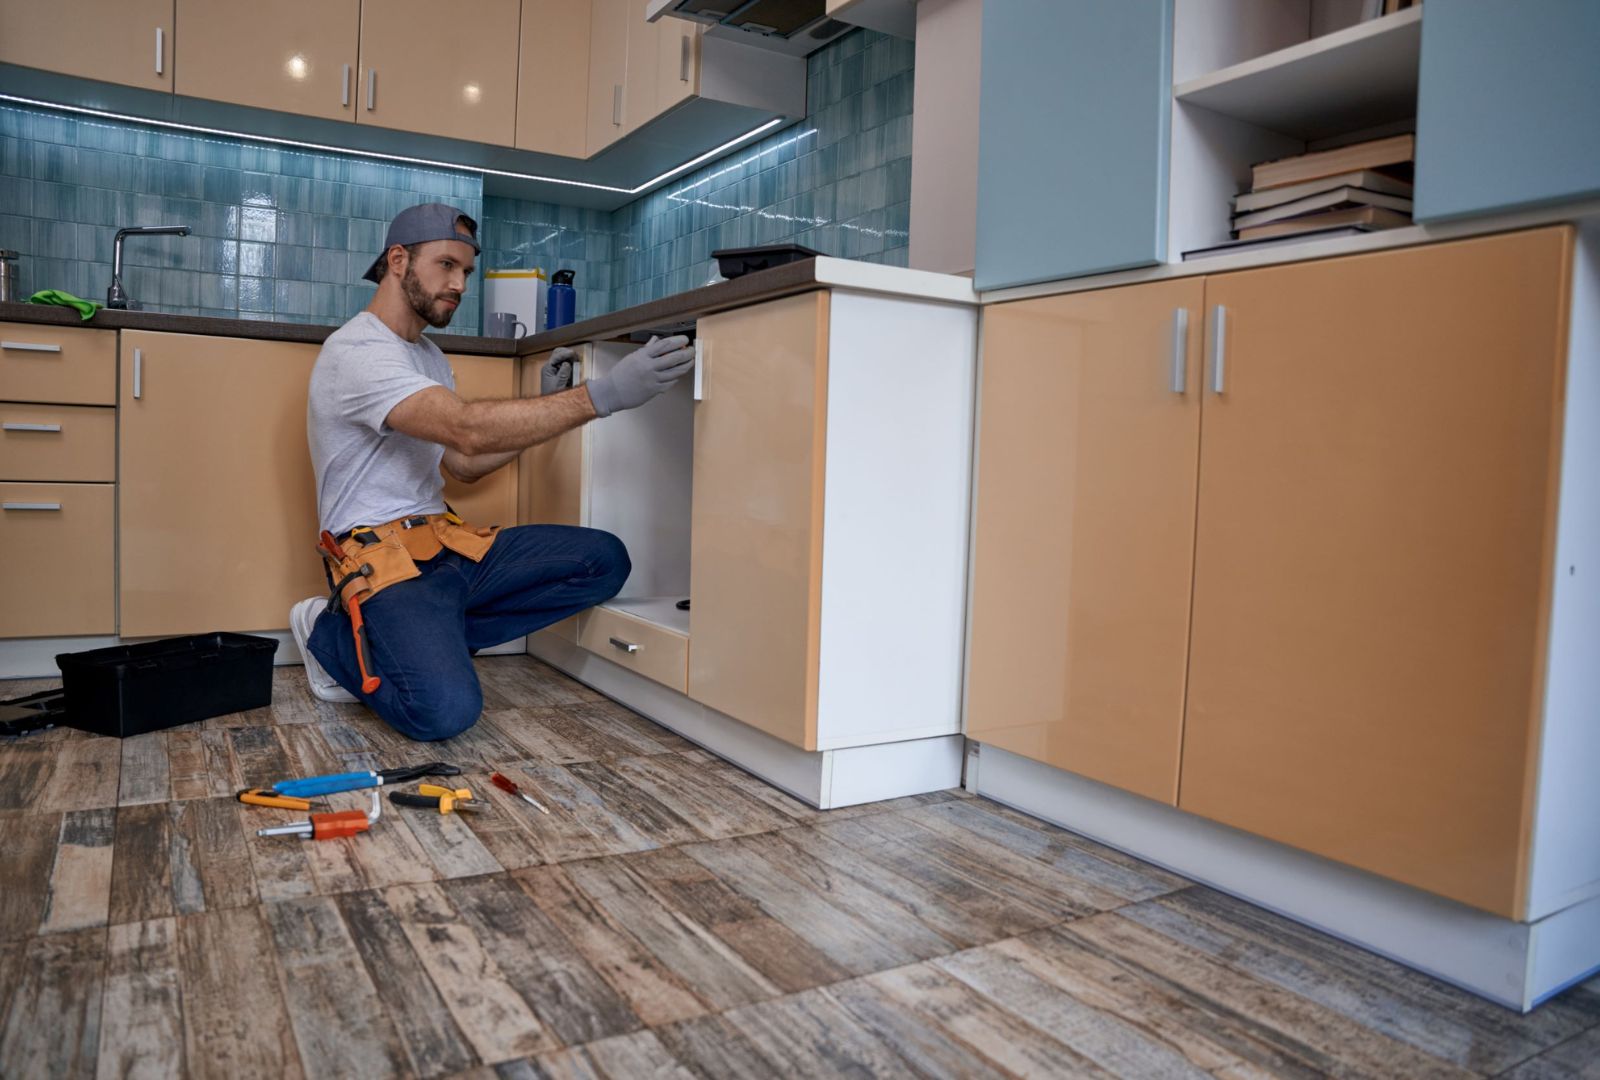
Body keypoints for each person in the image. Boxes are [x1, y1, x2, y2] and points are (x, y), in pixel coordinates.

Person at [290, 202, 695, 740]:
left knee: (603, 560)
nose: (459, 284)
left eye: (466, 272)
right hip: (380, 561)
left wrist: (545, 409)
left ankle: (428, 637)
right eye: (446, 265)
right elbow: (466, 429)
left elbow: (464, 464)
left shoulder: (427, 355)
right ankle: (329, 634)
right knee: (444, 713)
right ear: (397, 260)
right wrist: (602, 395)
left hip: (447, 546)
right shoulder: (357, 351)